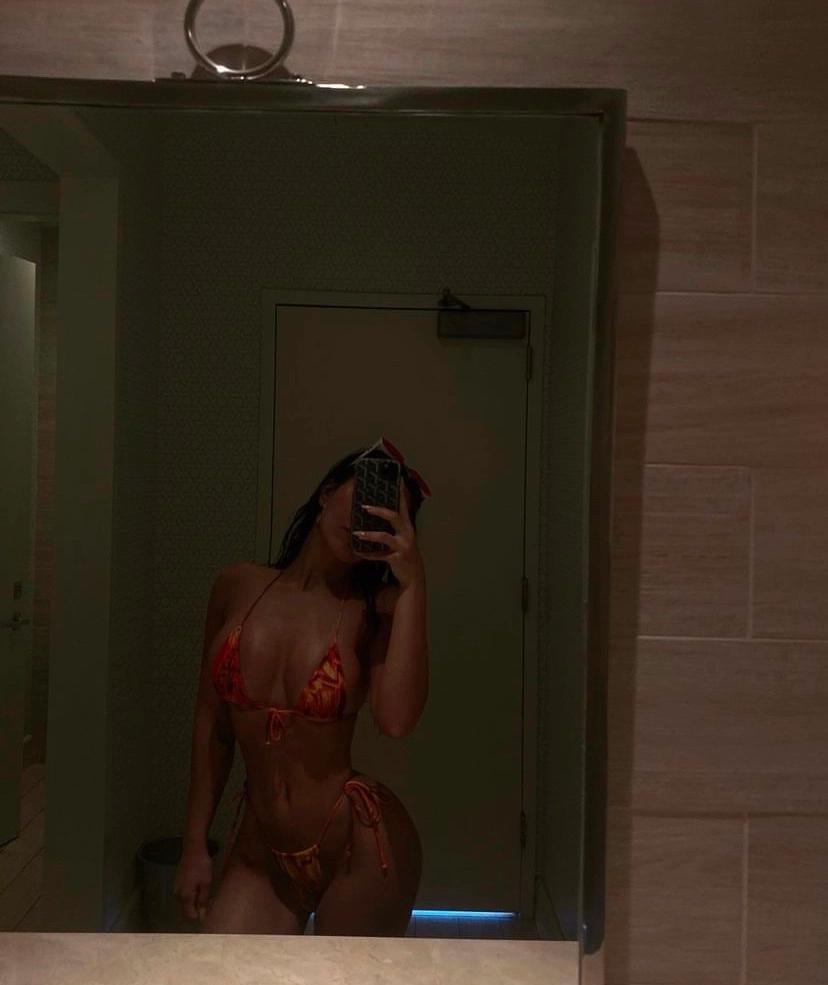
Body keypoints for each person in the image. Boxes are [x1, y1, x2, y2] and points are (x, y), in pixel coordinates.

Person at [173, 438, 431, 935]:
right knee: (220, 967)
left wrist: (414, 584)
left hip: (359, 845)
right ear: (326, 493)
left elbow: (397, 721)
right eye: (362, 498)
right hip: (260, 850)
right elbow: (213, 726)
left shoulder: (376, 610)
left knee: (348, 974)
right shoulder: (236, 586)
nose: (366, 518)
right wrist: (194, 845)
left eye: (384, 515)